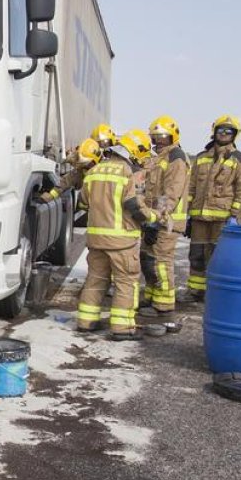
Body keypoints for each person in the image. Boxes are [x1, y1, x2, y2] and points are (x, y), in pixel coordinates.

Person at [76, 129, 159, 340]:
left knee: (95, 280)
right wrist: (152, 218)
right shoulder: (126, 172)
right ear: (133, 151)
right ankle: (123, 329)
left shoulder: (93, 171)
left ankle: (86, 322)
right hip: (122, 241)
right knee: (126, 282)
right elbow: (133, 205)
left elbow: (83, 203)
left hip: (96, 240)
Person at [184, 115, 241, 300]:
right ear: (215, 132)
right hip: (199, 218)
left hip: (222, 218)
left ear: (234, 135)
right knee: (196, 255)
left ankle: (216, 294)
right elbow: (191, 186)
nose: (224, 133)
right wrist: (187, 213)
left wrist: (234, 215)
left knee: (218, 257)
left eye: (229, 131)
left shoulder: (240, 159)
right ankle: (196, 291)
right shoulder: (201, 157)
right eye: (221, 130)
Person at [137, 115, 190, 317]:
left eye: (163, 137)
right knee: (147, 259)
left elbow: (171, 192)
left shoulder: (176, 157)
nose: (158, 141)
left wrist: (157, 219)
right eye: (155, 137)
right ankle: (151, 295)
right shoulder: (157, 158)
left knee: (161, 261)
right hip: (152, 219)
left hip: (166, 221)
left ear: (172, 137)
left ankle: (164, 304)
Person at [38, 138, 100, 204]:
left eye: (85, 162)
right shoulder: (81, 170)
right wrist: (51, 195)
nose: (82, 164)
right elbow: (66, 181)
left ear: (94, 161)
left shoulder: (102, 172)